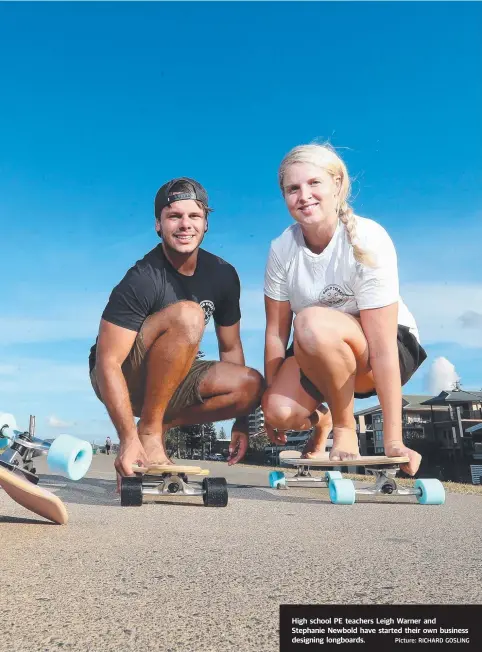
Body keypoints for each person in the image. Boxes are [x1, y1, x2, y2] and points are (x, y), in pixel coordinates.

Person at [261, 144, 427, 476]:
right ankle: (323, 420)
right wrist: (270, 402)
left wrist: (394, 440)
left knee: (310, 322)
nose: (304, 195)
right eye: (293, 189)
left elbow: (381, 349)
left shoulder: (368, 238)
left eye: (314, 183)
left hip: (382, 352)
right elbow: (276, 335)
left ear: (337, 184)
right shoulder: (281, 249)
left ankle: (344, 428)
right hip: (319, 353)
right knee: (281, 411)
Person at [89, 177, 264, 485]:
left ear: (206, 223)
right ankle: (146, 433)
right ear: (159, 224)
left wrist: (242, 421)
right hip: (120, 373)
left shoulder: (224, 275)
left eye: (194, 216)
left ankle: (156, 426)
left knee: (250, 385)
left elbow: (231, 348)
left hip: (170, 376)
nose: (185, 225)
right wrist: (127, 438)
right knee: (189, 315)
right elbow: (108, 362)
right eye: (174, 216)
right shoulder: (142, 277)